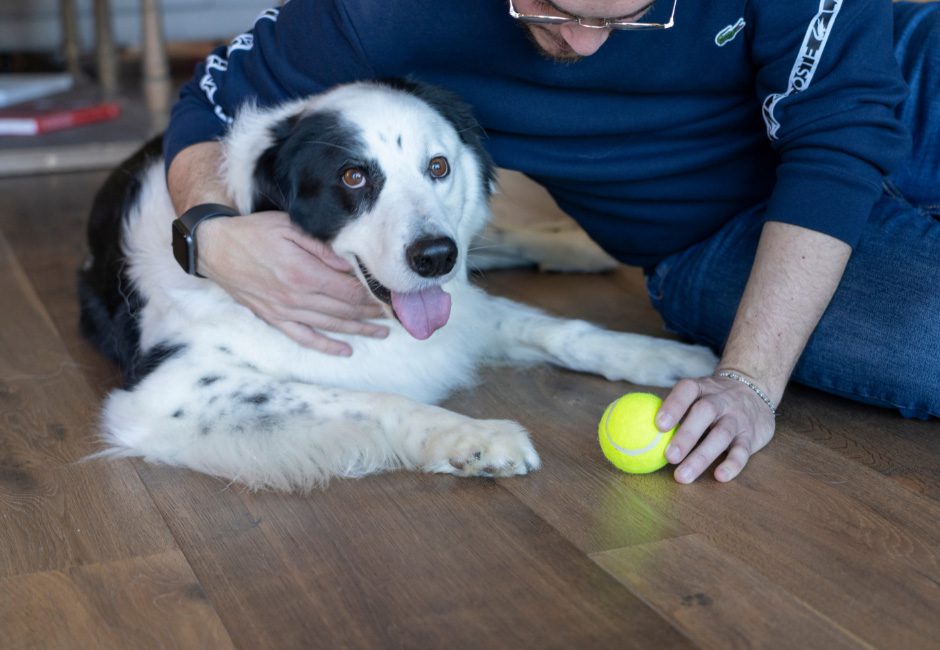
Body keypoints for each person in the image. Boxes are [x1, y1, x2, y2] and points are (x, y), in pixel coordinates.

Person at [163, 0, 940, 484]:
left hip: (909, 77)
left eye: (621, 18)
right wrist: (209, 231)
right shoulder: (381, 8)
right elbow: (211, 97)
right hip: (719, 231)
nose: (583, 41)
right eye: (545, 3)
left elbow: (837, 140)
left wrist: (749, 381)